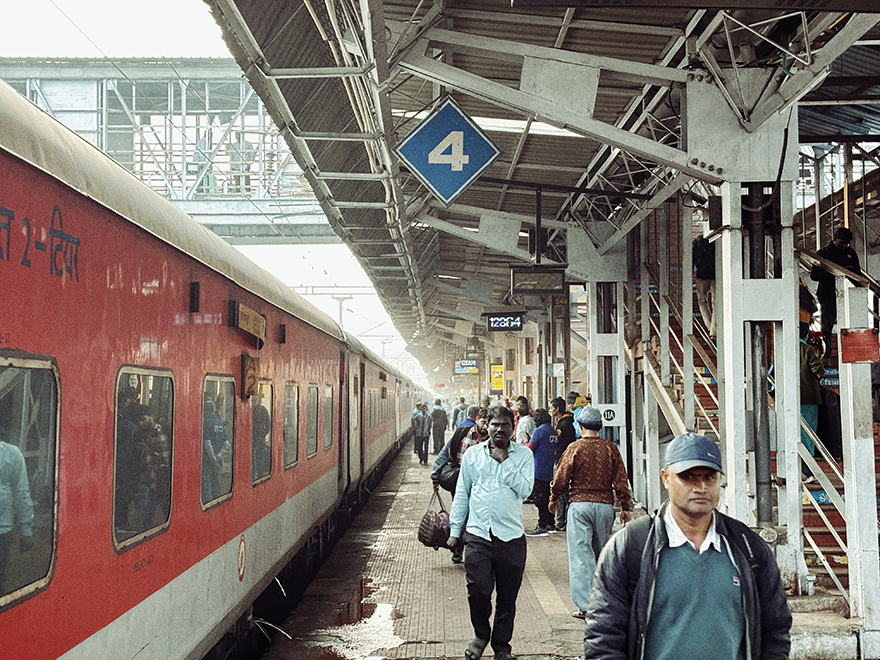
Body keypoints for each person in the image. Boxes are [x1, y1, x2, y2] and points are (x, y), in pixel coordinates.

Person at [584, 432, 791, 660]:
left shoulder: (748, 549)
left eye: (709, 477)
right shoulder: (632, 546)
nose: (700, 486)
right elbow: (603, 637)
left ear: (720, 479)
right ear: (665, 477)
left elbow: (775, 630)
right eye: (688, 477)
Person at [447, 405, 534, 660]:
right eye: (495, 424)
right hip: (478, 535)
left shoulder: (523, 457)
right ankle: (480, 634)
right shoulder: (473, 456)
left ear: (512, 428)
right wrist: (455, 531)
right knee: (478, 589)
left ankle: (502, 647)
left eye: (505, 425)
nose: (500, 429)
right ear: (487, 426)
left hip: (511, 537)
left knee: (507, 598)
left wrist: (505, 462)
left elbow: (526, 490)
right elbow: (462, 493)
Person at [550, 406, 631, 619]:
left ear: (580, 426)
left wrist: (554, 497)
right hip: (605, 507)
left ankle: (586, 606)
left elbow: (561, 477)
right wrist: (625, 507)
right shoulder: (610, 449)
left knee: (580, 556)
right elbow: (621, 479)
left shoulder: (574, 448)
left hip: (579, 507)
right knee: (603, 554)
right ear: (600, 427)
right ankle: (606, 602)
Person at [432, 405, 480, 564]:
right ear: (478, 418)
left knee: (470, 515)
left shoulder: (492, 439)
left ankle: (466, 550)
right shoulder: (462, 432)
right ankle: (459, 549)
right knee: (462, 513)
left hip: (480, 484)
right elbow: (445, 454)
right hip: (460, 480)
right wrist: (435, 477)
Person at [811, 226, 861, 361]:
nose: (844, 246)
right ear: (835, 239)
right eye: (842, 243)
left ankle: (850, 353)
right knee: (827, 325)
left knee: (849, 325)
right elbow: (814, 275)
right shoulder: (823, 253)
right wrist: (834, 273)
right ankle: (826, 355)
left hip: (845, 292)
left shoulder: (850, 253)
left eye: (846, 243)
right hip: (827, 294)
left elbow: (858, 273)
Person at [0, 439, 34, 596]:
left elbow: (22, 493)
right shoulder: (12, 454)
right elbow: (22, 492)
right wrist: (25, 531)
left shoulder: (12, 454)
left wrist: (26, 529)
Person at [525, 408, 557, 536]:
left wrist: (525, 440)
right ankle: (550, 523)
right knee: (549, 497)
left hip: (539, 469)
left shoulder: (539, 431)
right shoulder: (552, 431)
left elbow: (529, 449)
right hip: (550, 469)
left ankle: (542, 524)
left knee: (540, 499)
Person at [800, 322, 825, 483]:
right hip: (808, 399)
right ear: (807, 335)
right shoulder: (807, 350)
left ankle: (798, 470)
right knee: (809, 435)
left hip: (788, 399)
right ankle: (808, 471)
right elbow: (819, 370)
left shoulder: (783, 349)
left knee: (796, 435)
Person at [549, 396, 576, 531]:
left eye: (552, 407)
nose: (550, 410)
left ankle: (562, 521)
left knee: (561, 491)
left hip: (562, 459)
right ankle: (561, 520)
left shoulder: (564, 424)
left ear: (557, 409)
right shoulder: (562, 422)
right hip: (561, 458)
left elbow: (561, 442)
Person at [693, 235, 716, 339]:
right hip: (716, 274)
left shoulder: (698, 241)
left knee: (702, 301)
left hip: (701, 275)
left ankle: (709, 326)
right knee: (716, 304)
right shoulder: (717, 239)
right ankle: (713, 331)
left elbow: (693, 258)